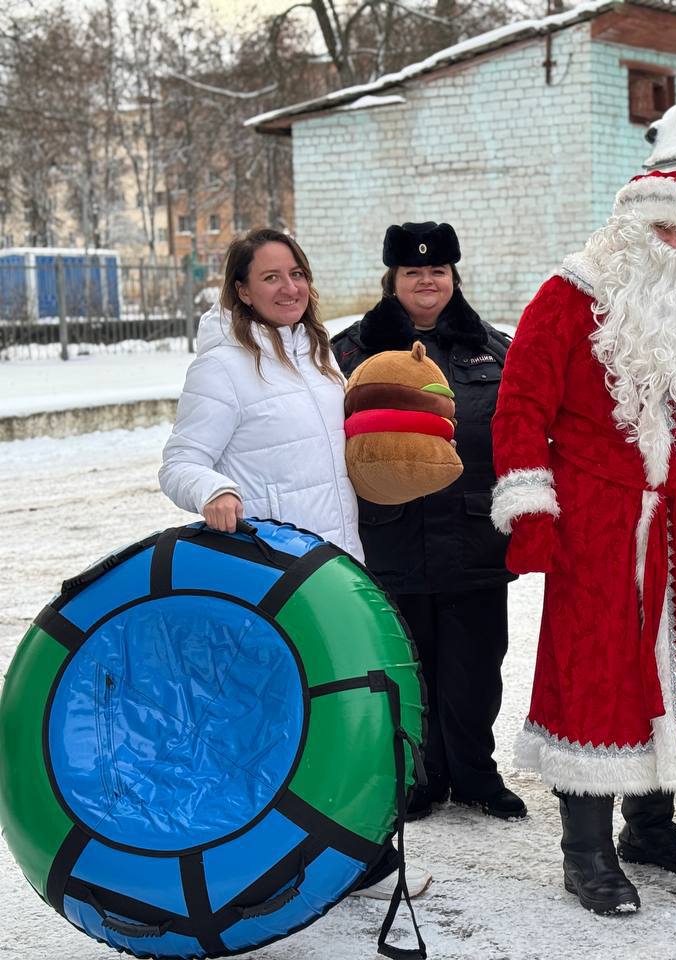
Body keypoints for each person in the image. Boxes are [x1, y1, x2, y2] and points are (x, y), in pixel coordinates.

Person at [489, 171, 676, 915]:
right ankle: (584, 851)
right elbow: (521, 404)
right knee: (594, 669)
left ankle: (650, 826)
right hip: (598, 520)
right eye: (665, 229)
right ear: (628, 230)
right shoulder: (568, 298)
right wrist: (532, 506)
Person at [158, 228, 431, 903]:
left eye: (297, 273)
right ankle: (266, 867)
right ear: (242, 290)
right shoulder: (222, 368)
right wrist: (213, 491)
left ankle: (350, 852)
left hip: (339, 570)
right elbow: (180, 461)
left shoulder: (320, 356)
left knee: (344, 716)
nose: (289, 288)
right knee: (278, 721)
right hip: (275, 578)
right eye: (272, 277)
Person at [331, 221, 525, 821]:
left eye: (437, 270)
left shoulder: (495, 349)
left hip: (473, 539)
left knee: (475, 666)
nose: (426, 280)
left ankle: (474, 775)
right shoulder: (346, 354)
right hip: (389, 538)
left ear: (454, 277)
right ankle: (415, 777)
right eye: (413, 271)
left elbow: (521, 433)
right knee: (402, 663)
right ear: (391, 279)